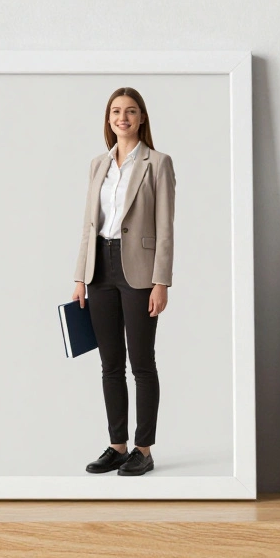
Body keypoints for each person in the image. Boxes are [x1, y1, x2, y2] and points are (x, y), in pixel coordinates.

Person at [72, 87, 176, 477]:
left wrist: (161, 281)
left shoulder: (157, 163)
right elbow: (88, 224)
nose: (123, 117)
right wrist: (80, 276)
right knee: (110, 363)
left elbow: (165, 226)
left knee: (142, 362)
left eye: (131, 111)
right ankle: (117, 446)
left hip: (139, 270)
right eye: (116, 111)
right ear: (109, 118)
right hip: (100, 267)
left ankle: (143, 449)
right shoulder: (98, 163)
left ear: (142, 118)